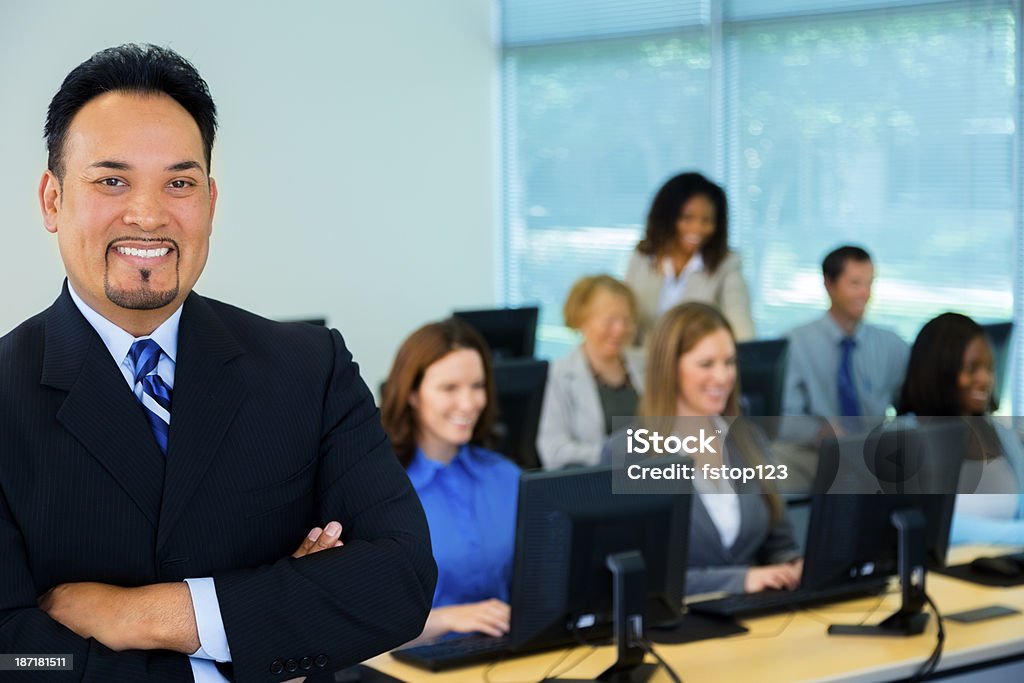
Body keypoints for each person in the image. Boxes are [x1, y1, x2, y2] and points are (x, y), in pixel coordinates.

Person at [0, 44, 435, 682]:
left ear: (209, 201)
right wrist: (251, 642)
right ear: (51, 200)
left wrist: (150, 615)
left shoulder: (308, 369)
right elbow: (16, 651)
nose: (148, 214)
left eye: (178, 182)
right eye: (111, 180)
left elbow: (398, 579)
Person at [605, 303, 801, 595]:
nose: (722, 377)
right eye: (706, 364)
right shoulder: (628, 453)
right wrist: (742, 580)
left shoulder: (749, 439)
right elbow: (638, 577)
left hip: (758, 622)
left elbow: (780, 543)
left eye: (729, 362)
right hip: (679, 629)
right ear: (670, 369)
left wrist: (793, 566)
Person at [381, 318, 520, 642]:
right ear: (412, 394)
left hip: (509, 661)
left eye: (477, 386)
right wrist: (444, 619)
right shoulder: (382, 494)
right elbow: (359, 627)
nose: (469, 403)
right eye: (450, 388)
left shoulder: (506, 477)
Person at [897, 312, 1024, 545]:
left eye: (989, 368)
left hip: (1005, 575)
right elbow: (933, 524)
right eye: (972, 368)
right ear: (940, 371)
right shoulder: (903, 439)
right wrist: (1017, 535)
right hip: (944, 577)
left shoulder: (1001, 434)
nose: (985, 379)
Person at [782, 245, 909, 426]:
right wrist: (817, 431)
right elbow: (783, 418)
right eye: (855, 284)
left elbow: (911, 405)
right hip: (815, 451)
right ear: (829, 285)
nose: (866, 294)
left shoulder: (893, 346)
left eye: (869, 283)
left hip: (876, 449)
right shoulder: (795, 344)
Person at [625, 172, 755, 343]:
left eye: (706, 220)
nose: (698, 228)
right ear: (667, 217)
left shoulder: (726, 266)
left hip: (697, 365)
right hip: (643, 364)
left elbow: (742, 329)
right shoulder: (642, 258)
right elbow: (626, 319)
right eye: (687, 218)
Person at [537, 275, 642, 469]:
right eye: (609, 321)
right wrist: (610, 454)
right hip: (594, 486)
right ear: (581, 320)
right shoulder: (559, 375)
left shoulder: (644, 366)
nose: (619, 329)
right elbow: (553, 451)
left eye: (626, 320)